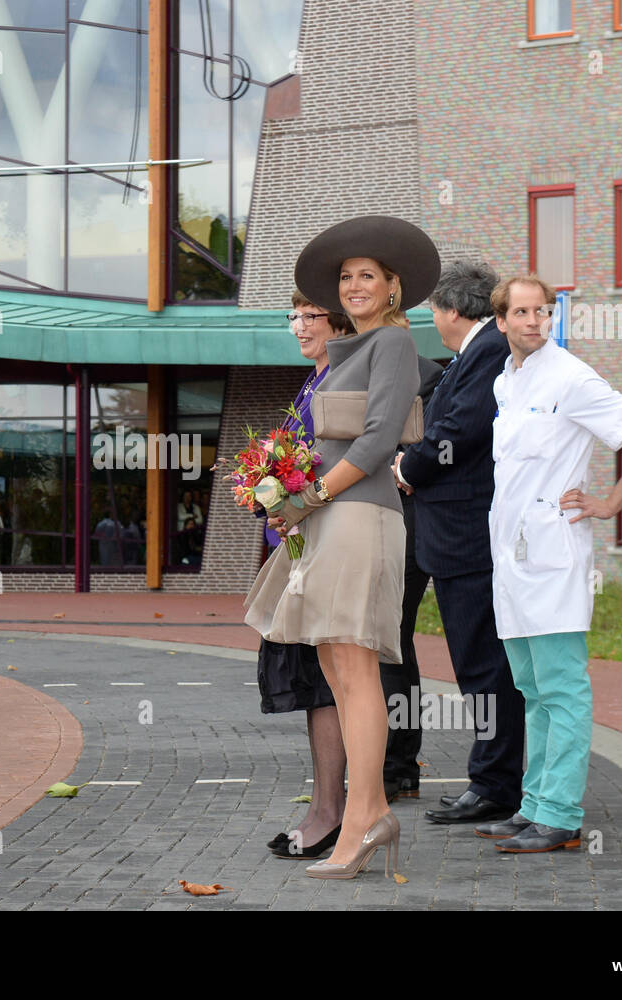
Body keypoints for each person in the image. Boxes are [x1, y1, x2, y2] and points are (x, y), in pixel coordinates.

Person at [245, 215, 438, 879]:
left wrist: (307, 498)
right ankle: (371, 814)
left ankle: (359, 823)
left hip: (357, 518)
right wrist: (288, 494)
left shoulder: (391, 344)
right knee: (340, 676)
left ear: (392, 287)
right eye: (346, 276)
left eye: (368, 276)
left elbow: (380, 441)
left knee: (355, 682)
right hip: (334, 519)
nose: (354, 285)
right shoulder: (357, 349)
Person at [481, 274, 622, 853]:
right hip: (512, 560)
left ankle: (560, 814)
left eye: (543, 312)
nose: (534, 321)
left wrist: (610, 503)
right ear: (501, 321)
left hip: (554, 559)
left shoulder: (572, 377)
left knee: (561, 687)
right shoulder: (506, 383)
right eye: (522, 312)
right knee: (531, 688)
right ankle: (534, 805)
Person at [390, 261, 528, 825]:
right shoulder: (477, 353)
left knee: (483, 664)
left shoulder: (487, 350)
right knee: (479, 662)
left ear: (451, 310)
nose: (430, 319)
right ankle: (491, 778)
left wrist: (410, 466)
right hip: (459, 535)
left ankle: (496, 783)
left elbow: (459, 431)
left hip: (468, 534)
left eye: (432, 310)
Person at [259, 291, 350, 860]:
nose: (298, 326)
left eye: (309, 316)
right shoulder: (311, 381)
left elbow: (337, 465)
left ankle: (333, 812)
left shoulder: (339, 378)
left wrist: (291, 492)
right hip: (298, 546)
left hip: (326, 547)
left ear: (337, 321)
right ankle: (326, 807)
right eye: (293, 316)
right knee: (319, 684)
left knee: (329, 685)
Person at [380, 351, 443, 803]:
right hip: (362, 519)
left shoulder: (426, 375)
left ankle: (396, 765)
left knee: (388, 639)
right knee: (385, 642)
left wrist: (399, 466)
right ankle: (393, 765)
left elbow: (424, 450)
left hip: (403, 524)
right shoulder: (337, 370)